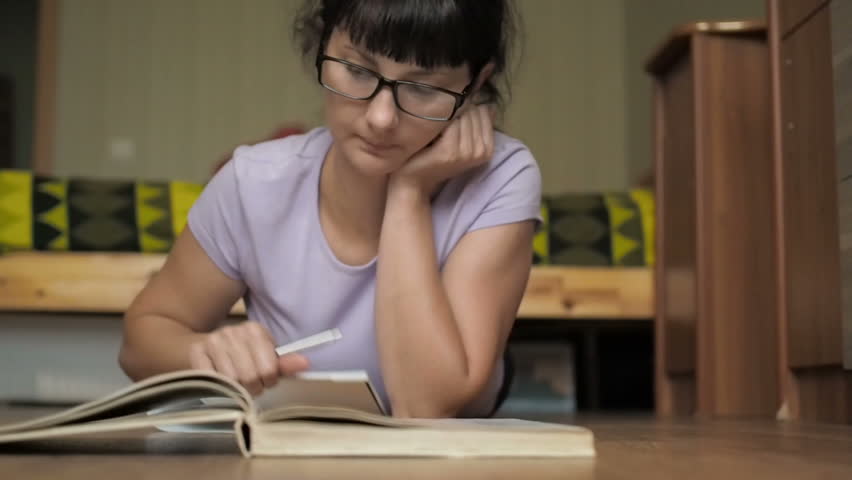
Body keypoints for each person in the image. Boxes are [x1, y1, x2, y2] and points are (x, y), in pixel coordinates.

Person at [118, 0, 541, 419]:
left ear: (475, 84)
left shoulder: (501, 177)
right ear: (323, 44)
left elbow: (424, 405)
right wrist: (204, 353)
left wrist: (409, 192)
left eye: (424, 88)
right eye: (357, 71)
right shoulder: (255, 182)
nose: (380, 118)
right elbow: (139, 345)